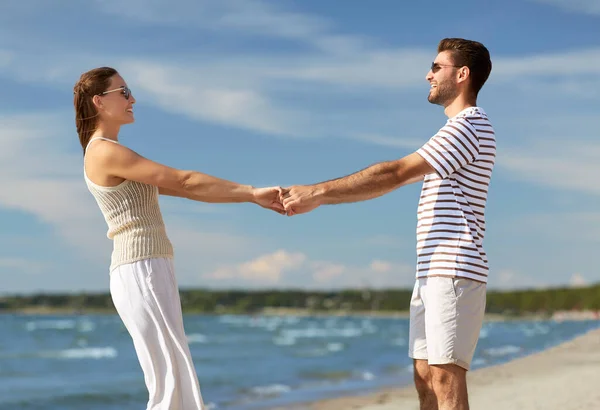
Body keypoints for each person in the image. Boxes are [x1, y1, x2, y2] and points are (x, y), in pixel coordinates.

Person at [280, 38, 494, 410]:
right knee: (425, 377)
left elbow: (394, 173)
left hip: (454, 269)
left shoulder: (469, 126)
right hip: (431, 272)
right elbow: (392, 179)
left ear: (462, 75)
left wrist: (317, 192)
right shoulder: (453, 131)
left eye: (436, 67)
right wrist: (321, 196)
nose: (428, 74)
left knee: (446, 377)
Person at [73, 67, 284, 410]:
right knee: (169, 384)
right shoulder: (103, 152)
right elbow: (184, 181)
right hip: (140, 269)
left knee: (174, 378)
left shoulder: (111, 152)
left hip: (148, 267)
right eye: (124, 92)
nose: (133, 99)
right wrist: (250, 190)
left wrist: (251, 197)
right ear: (99, 101)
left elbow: (187, 191)